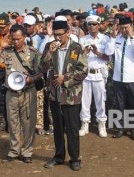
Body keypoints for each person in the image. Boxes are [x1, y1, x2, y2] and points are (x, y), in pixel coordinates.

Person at [0, 24, 42, 163]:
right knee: (13, 123)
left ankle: (27, 152)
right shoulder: (7, 51)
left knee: (28, 123)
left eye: (18, 38)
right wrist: (0, 48)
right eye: (13, 39)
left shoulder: (32, 52)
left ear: (24, 37)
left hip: (27, 92)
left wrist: (31, 79)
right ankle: (14, 150)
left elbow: (41, 71)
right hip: (11, 93)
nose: (15, 42)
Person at [42, 20, 87, 171]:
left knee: (72, 128)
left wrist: (65, 78)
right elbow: (42, 66)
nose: (58, 38)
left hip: (71, 95)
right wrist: (49, 52)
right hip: (55, 94)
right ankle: (59, 156)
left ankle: (75, 158)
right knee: (58, 127)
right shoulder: (50, 47)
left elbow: (83, 71)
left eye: (60, 35)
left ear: (67, 33)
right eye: (55, 35)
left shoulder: (76, 48)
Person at [105, 16, 134, 140]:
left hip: (133, 79)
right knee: (120, 104)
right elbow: (108, 52)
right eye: (121, 28)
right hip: (118, 78)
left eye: (126, 27)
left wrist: (132, 37)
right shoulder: (116, 39)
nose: (124, 30)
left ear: (131, 27)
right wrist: (112, 37)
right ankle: (121, 128)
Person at [78, 15, 110, 138]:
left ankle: (102, 123)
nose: (92, 26)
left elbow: (108, 58)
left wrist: (97, 52)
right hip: (86, 74)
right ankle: (84, 123)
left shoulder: (105, 39)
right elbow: (78, 59)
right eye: (89, 24)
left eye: (94, 24)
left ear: (99, 25)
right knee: (84, 101)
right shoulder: (83, 39)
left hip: (99, 73)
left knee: (100, 100)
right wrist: (85, 53)